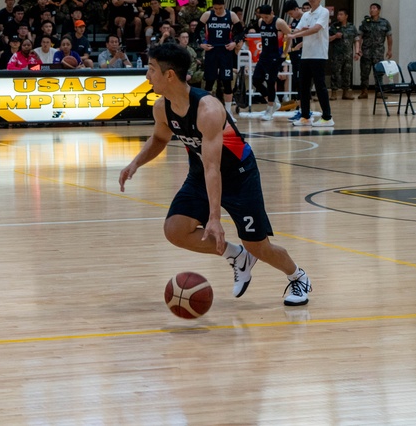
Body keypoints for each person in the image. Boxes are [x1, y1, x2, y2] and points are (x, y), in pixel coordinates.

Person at [119, 43, 311, 307]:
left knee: (259, 247)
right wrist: (135, 164)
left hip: (239, 176)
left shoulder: (208, 110)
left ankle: (298, 276)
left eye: (151, 70)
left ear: (170, 75)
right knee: (175, 230)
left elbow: (214, 167)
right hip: (200, 174)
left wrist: (214, 218)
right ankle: (237, 256)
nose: (147, 76)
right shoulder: (162, 107)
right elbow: (160, 138)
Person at [287, 0, 333, 127]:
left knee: (320, 86)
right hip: (306, 55)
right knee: (303, 86)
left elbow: (315, 29)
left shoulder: (323, 12)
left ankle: (327, 117)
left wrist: (295, 36)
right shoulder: (306, 15)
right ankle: (306, 116)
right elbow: (299, 29)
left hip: (319, 55)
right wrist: (286, 30)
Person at [251, 4, 292, 120]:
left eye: (267, 17)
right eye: (263, 17)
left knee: (270, 82)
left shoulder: (279, 22)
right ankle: (273, 102)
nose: (265, 19)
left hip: (275, 56)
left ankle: (270, 110)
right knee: (256, 80)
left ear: (272, 13)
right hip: (264, 55)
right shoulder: (260, 22)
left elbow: (289, 35)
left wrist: (285, 52)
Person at [198, 0, 241, 104]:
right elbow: (196, 32)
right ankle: (207, 108)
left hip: (225, 51)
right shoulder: (207, 15)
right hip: (211, 51)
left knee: (227, 82)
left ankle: (228, 113)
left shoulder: (231, 15)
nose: (217, 10)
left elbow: (241, 32)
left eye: (220, 8)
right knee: (209, 81)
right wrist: (201, 43)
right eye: (215, 8)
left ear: (224, 5)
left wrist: (234, 43)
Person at [356, 3, 393, 98]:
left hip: (378, 52)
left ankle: (379, 91)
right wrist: (358, 49)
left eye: (374, 8)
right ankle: (364, 91)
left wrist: (389, 50)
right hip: (366, 52)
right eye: (370, 8)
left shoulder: (385, 23)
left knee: (379, 72)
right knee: (364, 72)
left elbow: (389, 37)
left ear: (379, 10)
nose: (371, 10)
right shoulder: (365, 23)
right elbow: (359, 37)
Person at [328, 9, 357, 101]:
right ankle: (334, 92)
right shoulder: (333, 26)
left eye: (341, 14)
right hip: (336, 54)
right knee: (335, 73)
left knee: (347, 73)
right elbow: (327, 39)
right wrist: (335, 36)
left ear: (346, 16)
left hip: (348, 55)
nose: (338, 16)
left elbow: (356, 40)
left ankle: (346, 92)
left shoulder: (352, 27)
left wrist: (357, 51)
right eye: (338, 14)